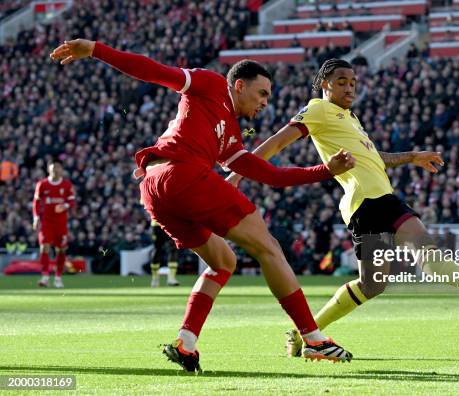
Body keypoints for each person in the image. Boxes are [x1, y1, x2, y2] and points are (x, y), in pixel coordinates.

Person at [50, 40, 356, 371]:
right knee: (269, 247)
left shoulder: (231, 137)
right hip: (183, 174)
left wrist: (325, 170)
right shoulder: (211, 84)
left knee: (223, 261)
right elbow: (154, 72)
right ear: (239, 85)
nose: (266, 102)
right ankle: (313, 338)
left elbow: (272, 176)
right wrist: (96, 49)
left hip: (154, 189)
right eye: (262, 93)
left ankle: (186, 342)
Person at [227, 59, 459, 357]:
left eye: (353, 82)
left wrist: (412, 156)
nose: (349, 87)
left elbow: (375, 157)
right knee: (381, 278)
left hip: (384, 197)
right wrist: (237, 173)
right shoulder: (317, 109)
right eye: (341, 81)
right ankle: (306, 335)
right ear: (325, 84)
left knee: (400, 266)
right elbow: (275, 144)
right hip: (364, 202)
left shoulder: (350, 118)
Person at [32, 159, 75, 288]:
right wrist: (35, 217)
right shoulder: (42, 184)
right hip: (47, 222)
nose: (55, 170)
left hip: (61, 223)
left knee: (61, 249)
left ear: (61, 169)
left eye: (57, 168)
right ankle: (45, 276)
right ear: (49, 170)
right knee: (44, 246)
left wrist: (65, 205)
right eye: (53, 168)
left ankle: (58, 277)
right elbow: (36, 202)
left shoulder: (67, 185)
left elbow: (72, 201)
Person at [150, 219, 180, 287]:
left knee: (160, 249)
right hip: (165, 222)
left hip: (161, 223)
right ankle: (169, 278)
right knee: (160, 249)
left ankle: (157, 279)